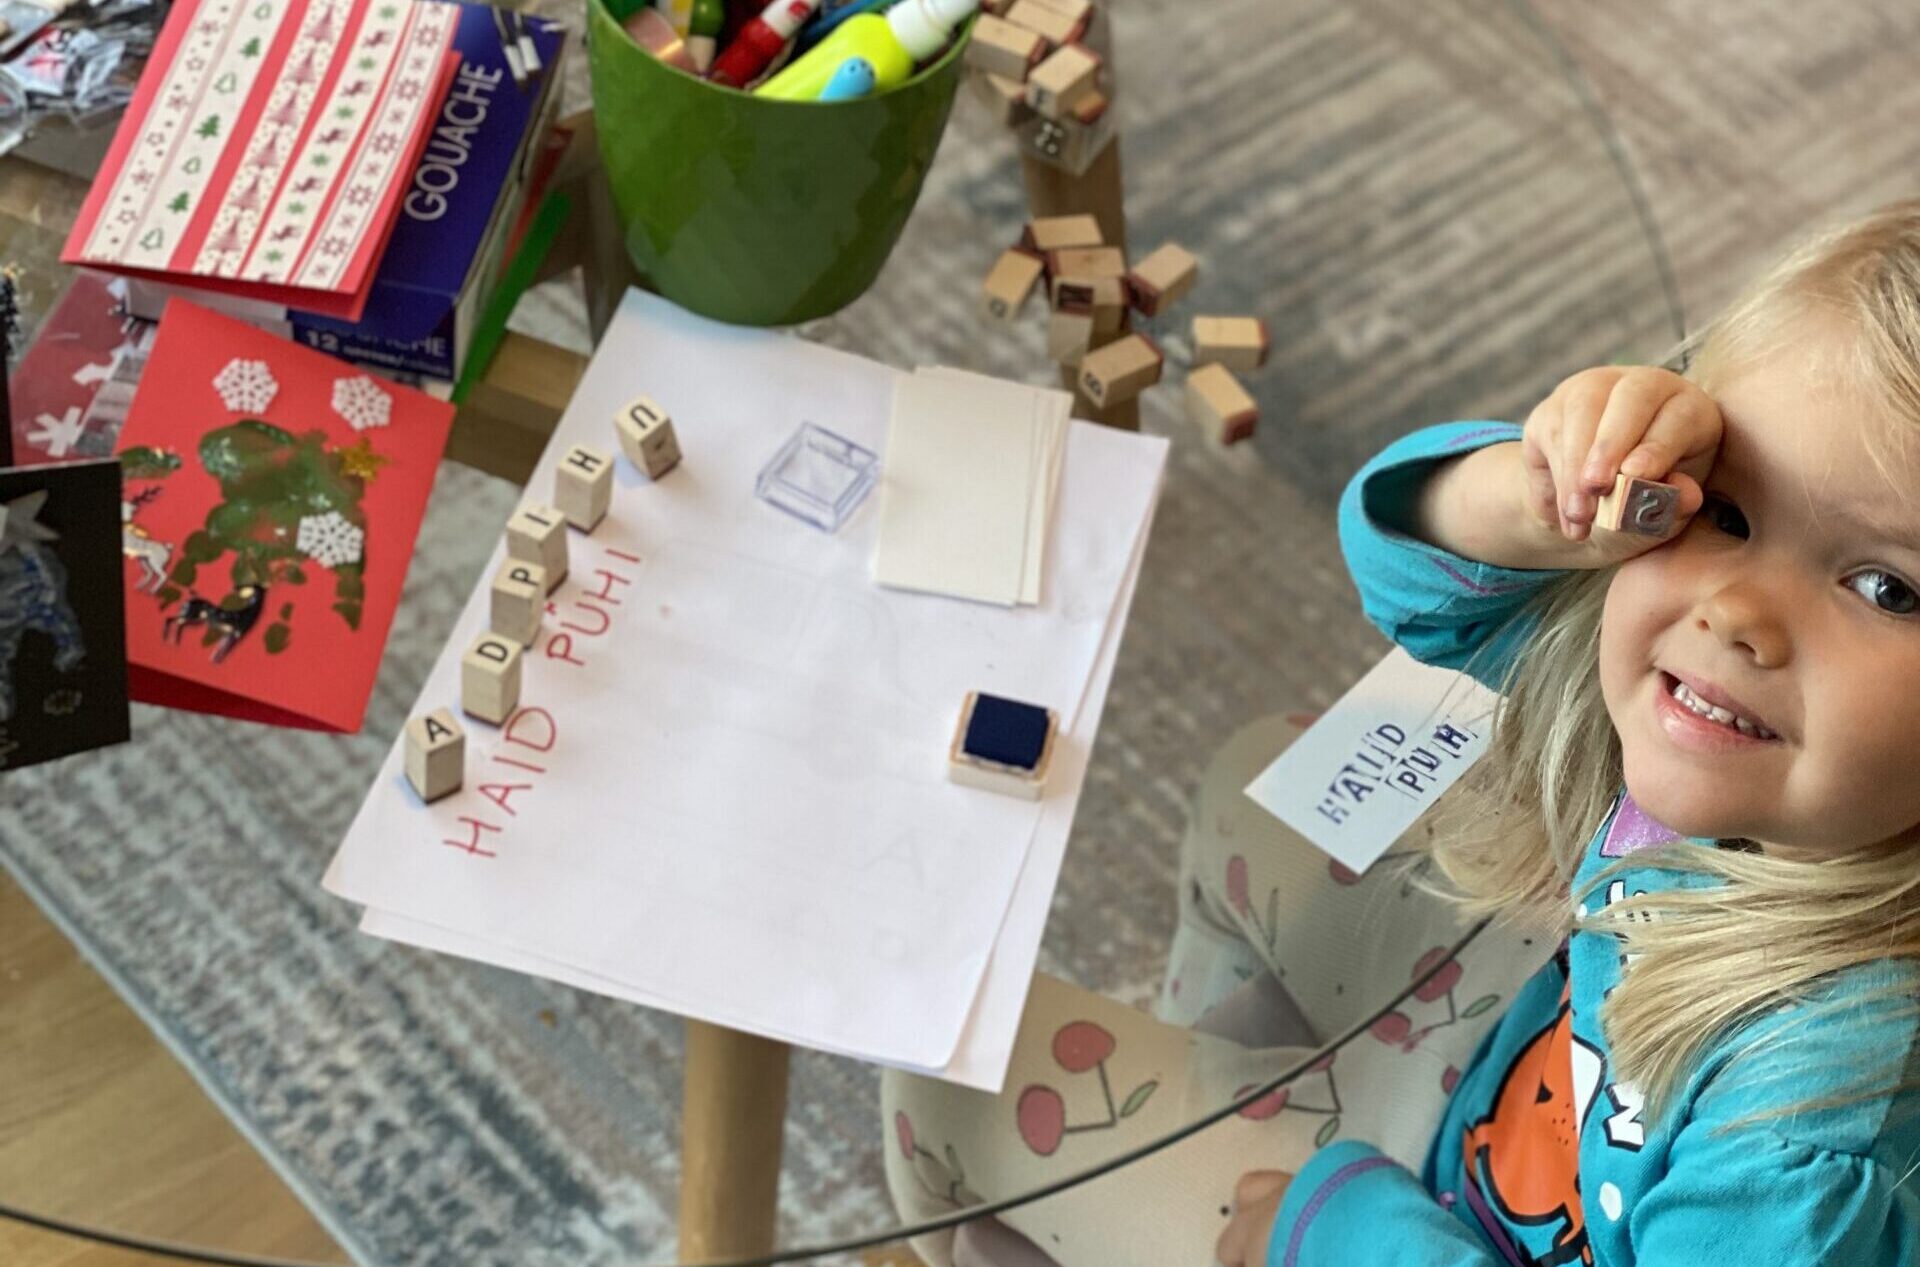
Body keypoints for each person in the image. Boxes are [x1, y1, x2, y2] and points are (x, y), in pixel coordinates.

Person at [887, 201, 1920, 1267]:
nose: (1739, 613)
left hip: (1449, 1227)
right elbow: (1402, 574)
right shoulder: (1779, 756)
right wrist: (1537, 502)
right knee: (1258, 780)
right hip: (1521, 1077)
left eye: (1887, 587)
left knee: (948, 1093)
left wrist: (1329, 1233)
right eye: (1730, 511)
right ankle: (1227, 1120)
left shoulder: (1812, 1154)